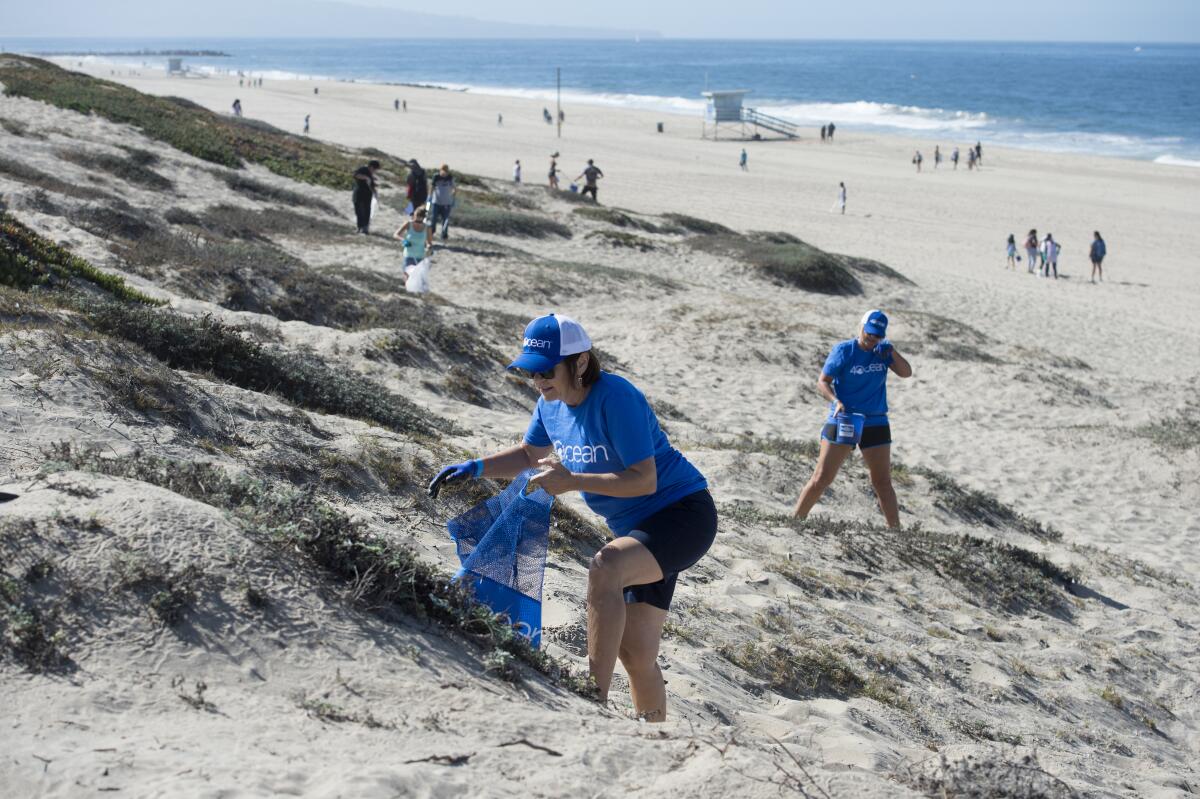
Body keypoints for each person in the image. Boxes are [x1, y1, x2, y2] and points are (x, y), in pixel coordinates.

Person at [428, 314, 716, 723]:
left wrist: (571, 480)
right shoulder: (549, 405)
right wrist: (475, 466)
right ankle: (656, 740)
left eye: (546, 370)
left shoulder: (616, 397)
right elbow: (529, 456)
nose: (538, 381)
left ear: (580, 364)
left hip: (682, 514)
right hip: (637, 532)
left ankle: (590, 699)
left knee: (605, 567)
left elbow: (644, 480)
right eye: (530, 372)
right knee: (636, 655)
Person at [792, 310, 913, 528]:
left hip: (876, 421)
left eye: (877, 335)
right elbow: (822, 381)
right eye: (869, 334)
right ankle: (794, 522)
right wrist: (835, 401)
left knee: (882, 482)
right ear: (861, 328)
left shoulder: (883, 352)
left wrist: (891, 353)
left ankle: (896, 532)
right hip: (844, 419)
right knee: (822, 478)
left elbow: (906, 373)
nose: (872, 339)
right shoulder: (844, 350)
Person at [394, 207, 433, 271]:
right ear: (414, 215)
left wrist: (429, 247)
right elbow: (396, 234)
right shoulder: (408, 224)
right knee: (408, 278)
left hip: (420, 256)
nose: (417, 221)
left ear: (423, 218)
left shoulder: (427, 228)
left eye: (420, 220)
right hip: (408, 255)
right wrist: (403, 240)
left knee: (417, 279)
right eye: (416, 217)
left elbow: (429, 242)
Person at [352, 159, 380, 235]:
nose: (374, 171)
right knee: (359, 211)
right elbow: (355, 174)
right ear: (371, 167)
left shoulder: (370, 174)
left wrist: (375, 193)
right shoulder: (364, 169)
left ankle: (365, 229)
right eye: (374, 169)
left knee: (366, 211)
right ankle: (359, 227)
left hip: (367, 195)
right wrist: (366, 178)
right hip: (359, 194)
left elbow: (371, 185)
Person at [430, 164, 456, 240]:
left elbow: (454, 188)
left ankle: (444, 234)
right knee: (433, 218)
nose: (444, 173)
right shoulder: (436, 177)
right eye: (443, 171)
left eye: (446, 172)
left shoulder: (450, 178)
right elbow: (432, 187)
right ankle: (431, 232)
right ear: (440, 170)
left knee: (445, 220)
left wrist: (453, 197)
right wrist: (429, 197)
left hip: (447, 203)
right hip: (436, 202)